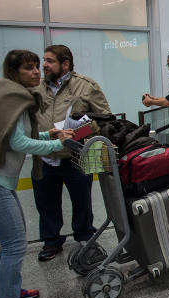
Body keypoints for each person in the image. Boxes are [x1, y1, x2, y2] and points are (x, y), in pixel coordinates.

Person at [0, 49, 75, 298]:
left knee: (11, 245)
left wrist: (48, 134)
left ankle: (4, 296)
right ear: (14, 72)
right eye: (29, 68)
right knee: (15, 246)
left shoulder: (13, 95)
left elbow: (20, 136)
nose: (37, 72)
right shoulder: (13, 97)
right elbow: (18, 144)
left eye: (38, 66)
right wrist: (56, 145)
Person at [33, 45, 111, 262]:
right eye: (44, 60)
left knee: (82, 201)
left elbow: (105, 119)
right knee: (46, 202)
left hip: (75, 156)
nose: (44, 65)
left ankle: (85, 235)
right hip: (44, 157)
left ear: (65, 64)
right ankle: (51, 241)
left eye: (49, 61)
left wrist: (79, 132)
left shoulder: (86, 86)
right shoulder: (36, 89)